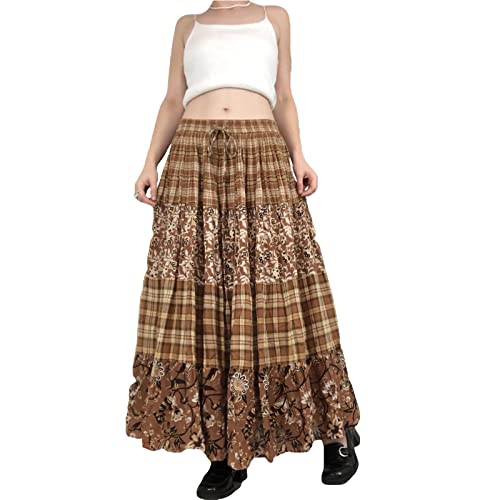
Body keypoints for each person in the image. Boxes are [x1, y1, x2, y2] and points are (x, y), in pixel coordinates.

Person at [125, 2, 361, 498]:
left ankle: (334, 429)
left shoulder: (274, 17)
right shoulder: (186, 25)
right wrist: (150, 162)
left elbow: (284, 94)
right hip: (193, 159)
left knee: (286, 292)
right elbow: (173, 100)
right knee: (203, 299)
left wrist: (299, 156)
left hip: (262, 155)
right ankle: (224, 452)